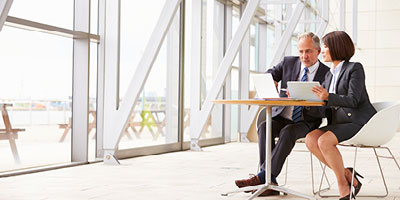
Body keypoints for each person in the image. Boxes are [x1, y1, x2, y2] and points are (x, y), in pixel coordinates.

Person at [234, 32, 330, 196]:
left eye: (308, 51)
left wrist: (303, 99)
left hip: (307, 121)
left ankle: (264, 178)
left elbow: (325, 108)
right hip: (283, 116)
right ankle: (268, 181)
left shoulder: (327, 73)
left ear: (318, 51)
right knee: (265, 127)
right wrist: (271, 80)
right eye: (301, 51)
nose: (304, 56)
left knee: (288, 132)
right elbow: (268, 73)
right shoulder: (288, 62)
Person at [306, 31, 377, 200]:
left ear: (336, 48)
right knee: (310, 139)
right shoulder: (330, 74)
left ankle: (342, 184)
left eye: (325, 46)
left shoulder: (355, 68)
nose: (321, 50)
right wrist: (306, 100)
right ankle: (348, 175)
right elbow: (325, 103)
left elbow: (353, 99)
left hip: (358, 120)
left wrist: (327, 97)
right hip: (340, 122)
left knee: (324, 141)